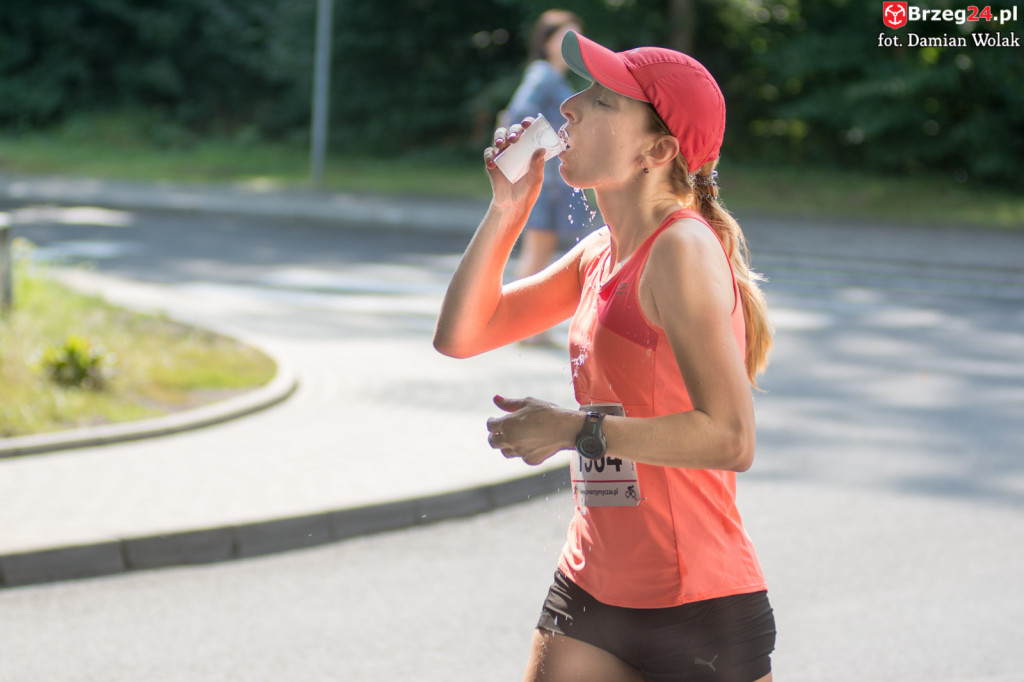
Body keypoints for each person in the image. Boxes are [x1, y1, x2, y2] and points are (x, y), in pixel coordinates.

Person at [435, 29, 776, 682]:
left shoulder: (680, 250)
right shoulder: (599, 253)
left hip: (697, 604)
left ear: (658, 149)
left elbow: (732, 438)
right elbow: (461, 335)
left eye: (602, 100)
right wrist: (508, 210)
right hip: (591, 588)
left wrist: (570, 428)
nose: (570, 108)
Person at [501, 10, 590, 344]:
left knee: (540, 252)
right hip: (548, 180)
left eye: (577, 39)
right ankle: (519, 327)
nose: (573, 46)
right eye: (565, 38)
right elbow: (521, 109)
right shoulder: (544, 73)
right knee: (538, 253)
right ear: (547, 41)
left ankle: (523, 326)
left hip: (549, 180)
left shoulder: (551, 75)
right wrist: (550, 145)